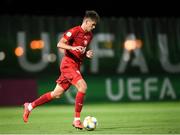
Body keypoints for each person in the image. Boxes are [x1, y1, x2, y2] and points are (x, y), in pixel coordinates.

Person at [23, 10, 100, 130]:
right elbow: (60, 44)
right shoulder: (74, 31)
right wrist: (73, 47)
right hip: (68, 64)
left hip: (76, 65)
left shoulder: (89, 35)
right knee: (83, 86)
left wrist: (86, 54)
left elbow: (80, 51)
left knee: (56, 94)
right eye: (93, 24)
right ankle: (77, 120)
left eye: (95, 25)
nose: (94, 27)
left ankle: (29, 106)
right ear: (87, 21)